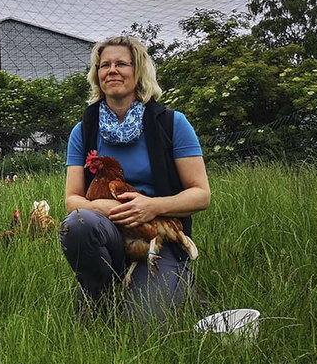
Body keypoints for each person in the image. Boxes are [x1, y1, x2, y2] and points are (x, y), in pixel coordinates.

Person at [59, 35, 210, 322]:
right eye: (104, 65)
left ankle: (177, 281)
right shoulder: (84, 130)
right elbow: (72, 200)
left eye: (121, 64)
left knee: (143, 326)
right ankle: (98, 294)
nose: (112, 70)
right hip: (110, 233)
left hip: (156, 237)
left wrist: (152, 206)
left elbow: (201, 195)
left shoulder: (172, 123)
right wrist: (103, 208)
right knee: (79, 223)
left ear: (138, 70)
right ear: (97, 74)